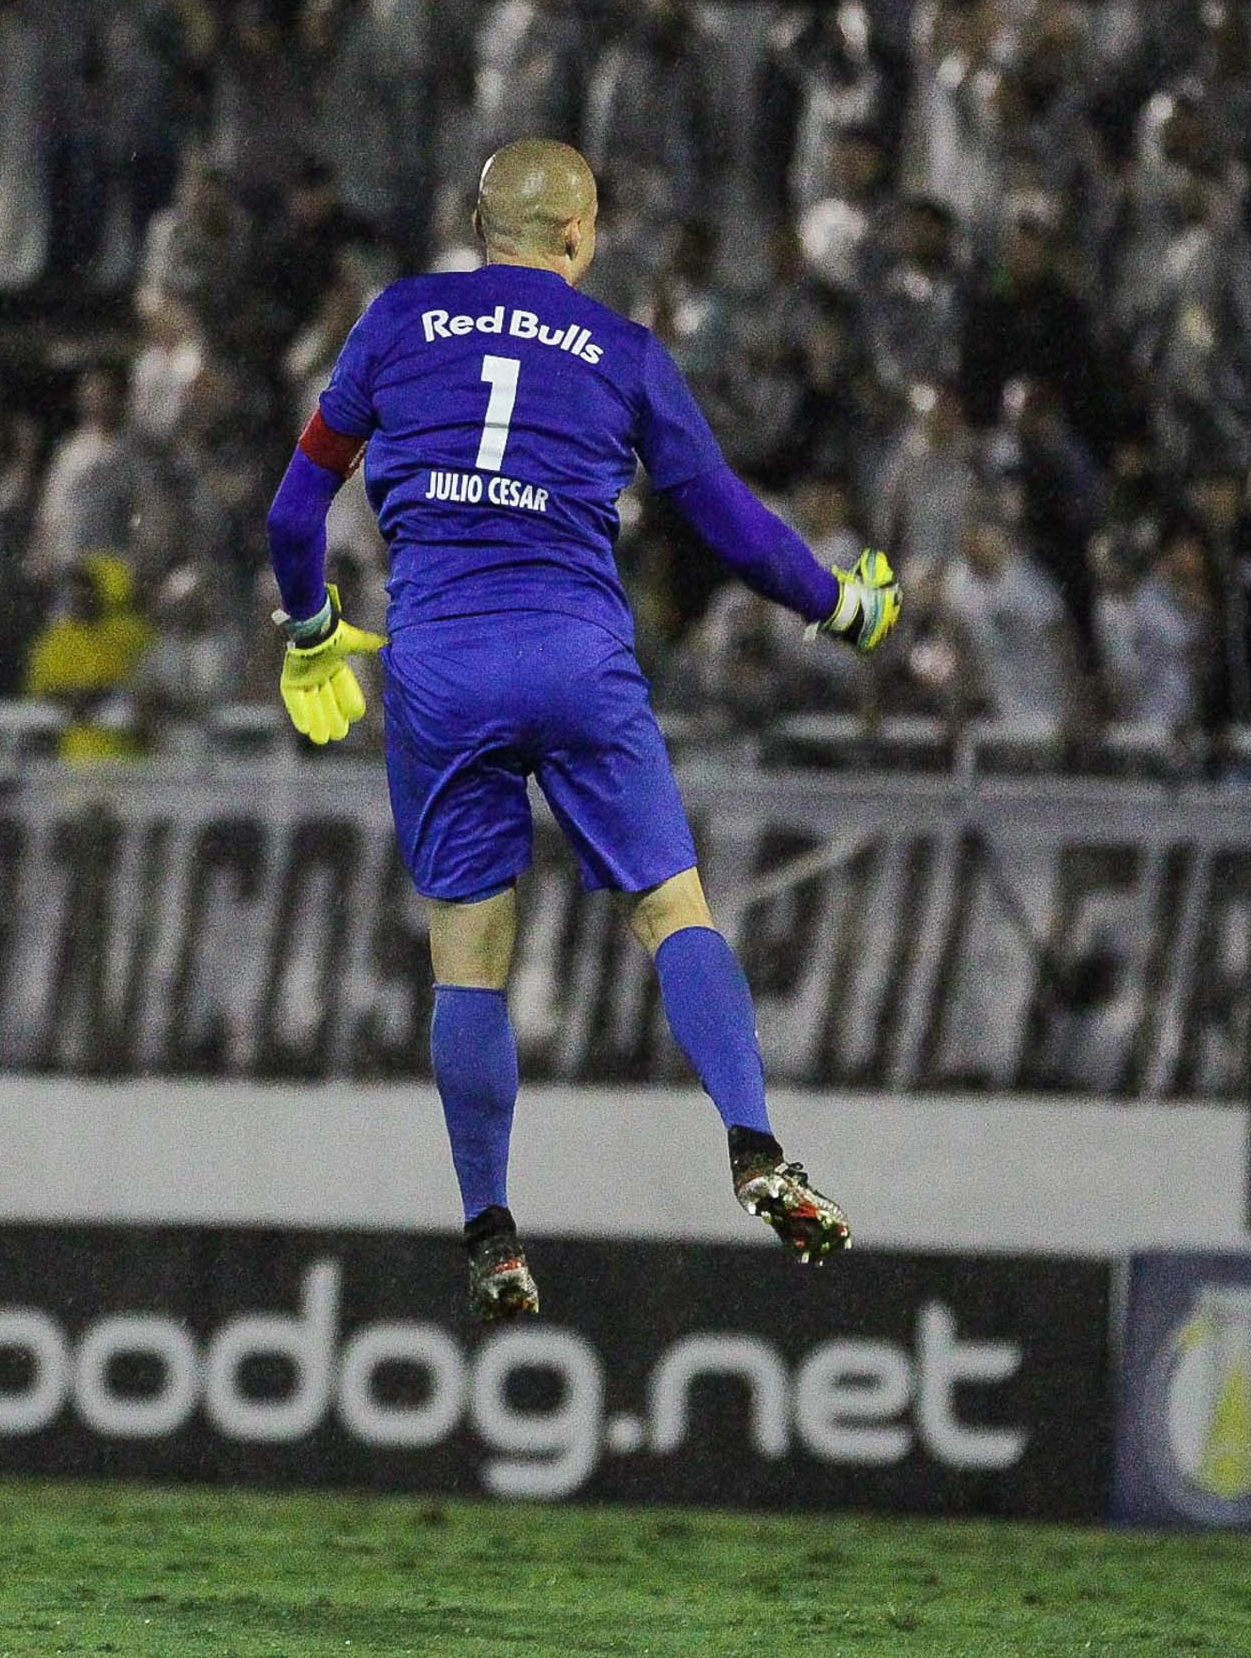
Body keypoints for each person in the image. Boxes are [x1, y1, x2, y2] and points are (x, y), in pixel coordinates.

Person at [263, 139, 900, 1321]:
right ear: (581, 234)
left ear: (478, 223)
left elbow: (296, 507)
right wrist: (842, 605)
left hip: (442, 660)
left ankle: (492, 1228)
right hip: (576, 654)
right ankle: (756, 1143)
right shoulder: (623, 352)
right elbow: (729, 524)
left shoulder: (397, 319)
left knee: (470, 955)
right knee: (672, 910)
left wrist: (310, 629)